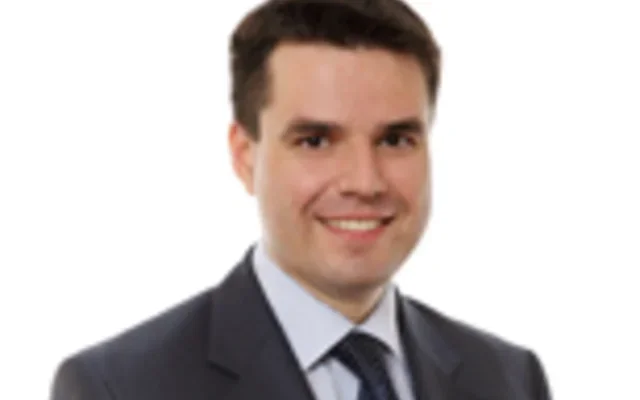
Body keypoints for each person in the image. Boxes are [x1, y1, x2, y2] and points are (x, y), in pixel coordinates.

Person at [50, 0, 553, 399]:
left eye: (395, 140)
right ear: (245, 156)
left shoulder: (509, 380)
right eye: (315, 141)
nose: (365, 181)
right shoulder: (120, 388)